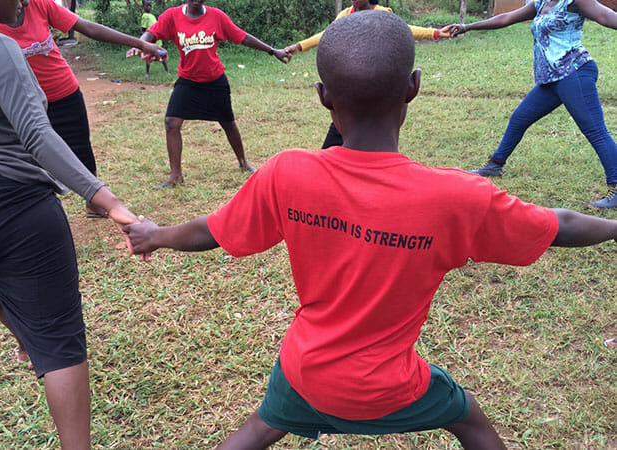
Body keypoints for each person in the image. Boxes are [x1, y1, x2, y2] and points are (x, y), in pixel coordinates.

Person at [123, 11, 617, 449]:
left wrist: (154, 234)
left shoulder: (288, 172)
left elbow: (214, 230)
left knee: (258, 430)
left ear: (322, 97)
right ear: (414, 87)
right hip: (392, 387)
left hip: (306, 372)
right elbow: (560, 226)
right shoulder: (457, 197)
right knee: (467, 418)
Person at [0, 0, 144, 448]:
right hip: (11, 200)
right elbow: (38, 135)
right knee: (61, 342)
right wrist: (110, 202)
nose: (25, 2)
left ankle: (28, 341)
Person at [0, 0, 166, 217]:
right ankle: (38, 211)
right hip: (25, 103)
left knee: (81, 148)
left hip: (63, 92)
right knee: (30, 158)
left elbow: (88, 27)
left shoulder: (40, 5)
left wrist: (142, 44)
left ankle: (93, 202)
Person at [451, 0, 617, 208]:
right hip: (552, 78)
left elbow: (606, 16)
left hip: (575, 73)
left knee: (595, 131)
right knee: (520, 118)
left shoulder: (575, 1)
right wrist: (468, 27)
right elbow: (506, 18)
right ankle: (495, 165)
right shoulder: (541, 2)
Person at [128, 0, 290, 189]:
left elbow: (242, 37)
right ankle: (175, 175)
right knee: (171, 123)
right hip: (188, 81)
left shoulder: (216, 17)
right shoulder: (172, 16)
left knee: (228, 123)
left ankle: (243, 162)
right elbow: (151, 32)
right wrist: (140, 44)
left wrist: (272, 51)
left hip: (215, 80)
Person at [284, 0, 455, 149]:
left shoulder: (382, 14)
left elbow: (404, 29)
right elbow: (327, 35)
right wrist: (299, 46)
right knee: (345, 127)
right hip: (352, 83)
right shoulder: (345, 15)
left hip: (376, 83)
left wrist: (435, 33)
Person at [141, 0, 169, 78]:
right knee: (148, 57)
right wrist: (144, 41)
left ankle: (167, 71)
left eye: (150, 5)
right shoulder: (145, 16)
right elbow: (143, 29)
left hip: (157, 40)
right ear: (143, 7)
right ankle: (147, 73)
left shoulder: (152, 16)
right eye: (147, 6)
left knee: (162, 56)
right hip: (150, 41)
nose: (149, 7)